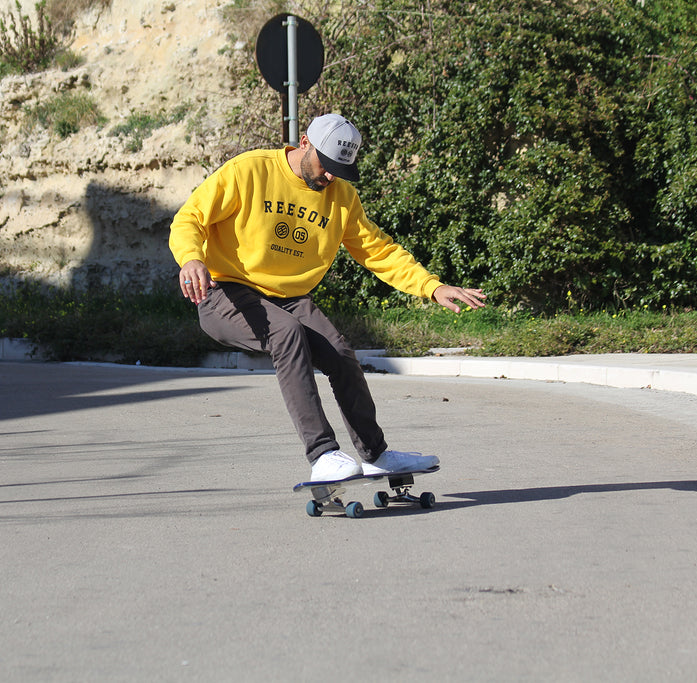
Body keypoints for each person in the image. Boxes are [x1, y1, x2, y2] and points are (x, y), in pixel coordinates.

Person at [169, 113, 486, 482]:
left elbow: (378, 250)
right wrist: (191, 259)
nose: (331, 176)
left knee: (339, 352)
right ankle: (323, 454)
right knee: (286, 333)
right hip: (224, 291)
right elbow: (190, 218)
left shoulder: (342, 198)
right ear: (304, 143)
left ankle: (376, 454)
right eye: (326, 165)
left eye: (341, 169)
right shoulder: (249, 171)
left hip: (289, 296)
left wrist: (432, 286)